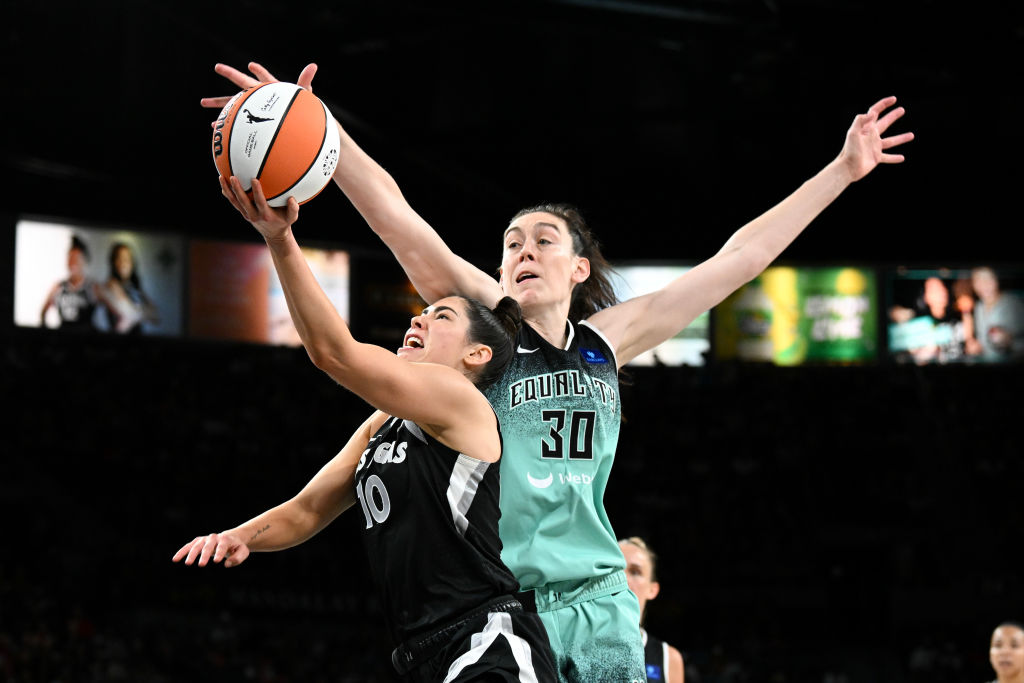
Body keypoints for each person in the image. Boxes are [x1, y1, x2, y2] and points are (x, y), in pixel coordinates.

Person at [203, 61, 913, 683]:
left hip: (598, 604)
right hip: (502, 601)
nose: (523, 250)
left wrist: (841, 172)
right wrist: (315, 127)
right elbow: (396, 218)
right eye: (512, 242)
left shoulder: (607, 340)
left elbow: (742, 257)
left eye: (544, 239)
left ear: (579, 268)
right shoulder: (489, 331)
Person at [172, 194, 557, 682]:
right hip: (425, 652)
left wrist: (281, 239)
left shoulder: (461, 400)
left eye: (441, 317)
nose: (417, 319)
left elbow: (336, 353)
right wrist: (241, 535)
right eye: (422, 312)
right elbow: (310, 509)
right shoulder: (383, 422)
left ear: (477, 355)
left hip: (488, 641)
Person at [619, 537, 686, 683]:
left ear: (652, 589)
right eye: (615, 569)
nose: (622, 577)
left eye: (635, 572)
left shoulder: (668, 658)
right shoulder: (574, 646)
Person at [40, 233, 105, 332]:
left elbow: (114, 311)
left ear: (84, 261)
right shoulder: (58, 287)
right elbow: (43, 312)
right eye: (70, 258)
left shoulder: (92, 287)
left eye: (77, 259)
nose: (73, 263)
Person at [965, 267, 1024, 363]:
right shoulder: (979, 307)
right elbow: (983, 341)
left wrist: (1010, 343)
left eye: (987, 279)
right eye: (978, 280)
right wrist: (977, 347)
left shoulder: (1013, 303)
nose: (983, 285)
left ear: (996, 280)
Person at [103, 242, 160, 334]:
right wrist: (143, 313)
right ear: (114, 262)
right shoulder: (111, 285)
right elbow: (128, 316)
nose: (123, 263)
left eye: (127, 259)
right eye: (119, 258)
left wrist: (138, 314)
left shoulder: (134, 286)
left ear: (132, 262)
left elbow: (155, 315)